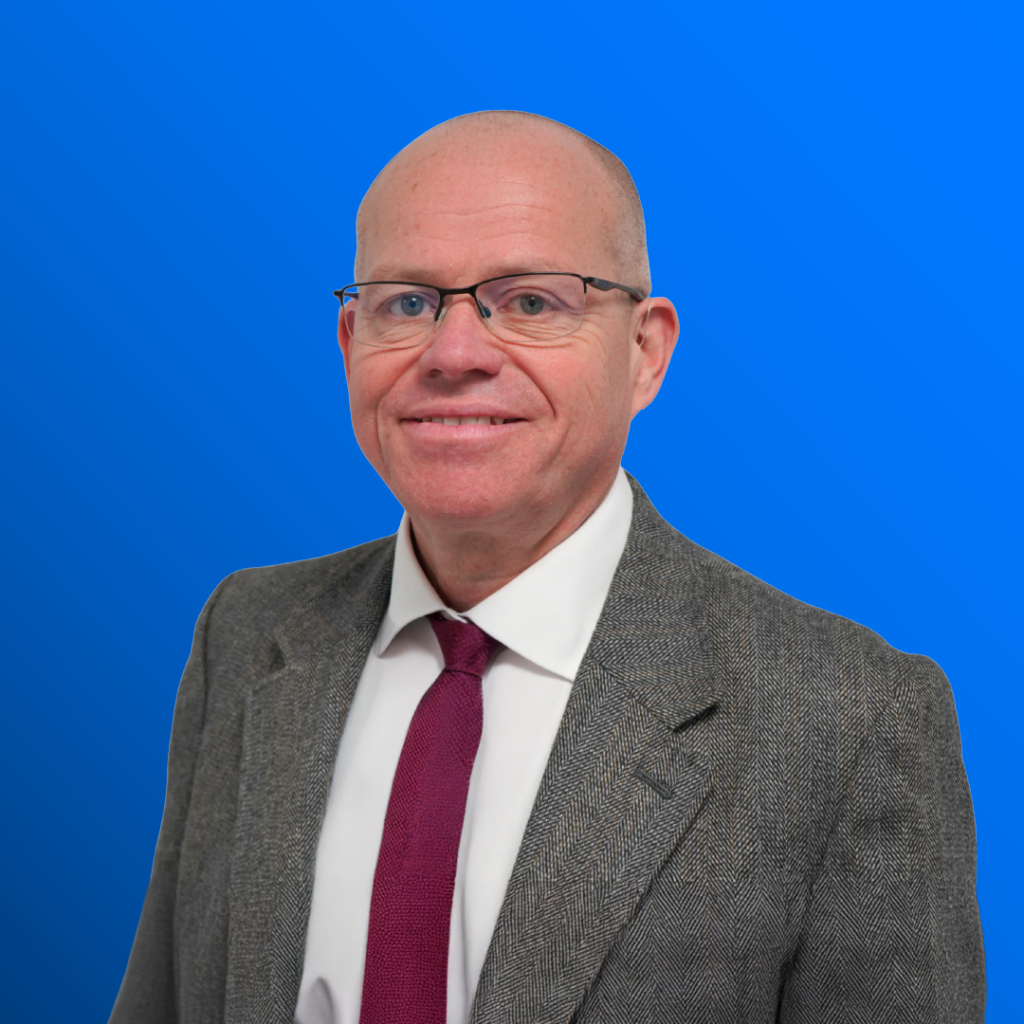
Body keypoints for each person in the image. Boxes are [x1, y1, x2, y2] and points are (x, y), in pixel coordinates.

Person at [110, 111, 984, 1024]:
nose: (453, 354)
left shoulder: (846, 717)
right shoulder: (247, 634)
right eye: (405, 302)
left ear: (644, 351)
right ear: (348, 342)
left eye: (530, 302)